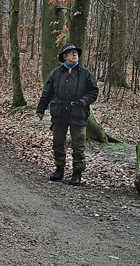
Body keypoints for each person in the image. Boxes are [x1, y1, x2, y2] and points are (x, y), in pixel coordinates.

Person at [35, 44, 98, 186]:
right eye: (71, 53)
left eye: (76, 53)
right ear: (64, 56)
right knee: (58, 142)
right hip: (59, 112)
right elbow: (47, 92)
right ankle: (59, 169)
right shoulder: (56, 73)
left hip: (78, 113)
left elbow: (93, 92)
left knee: (78, 144)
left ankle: (77, 173)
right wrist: (41, 109)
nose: (74, 55)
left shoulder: (85, 73)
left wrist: (83, 102)